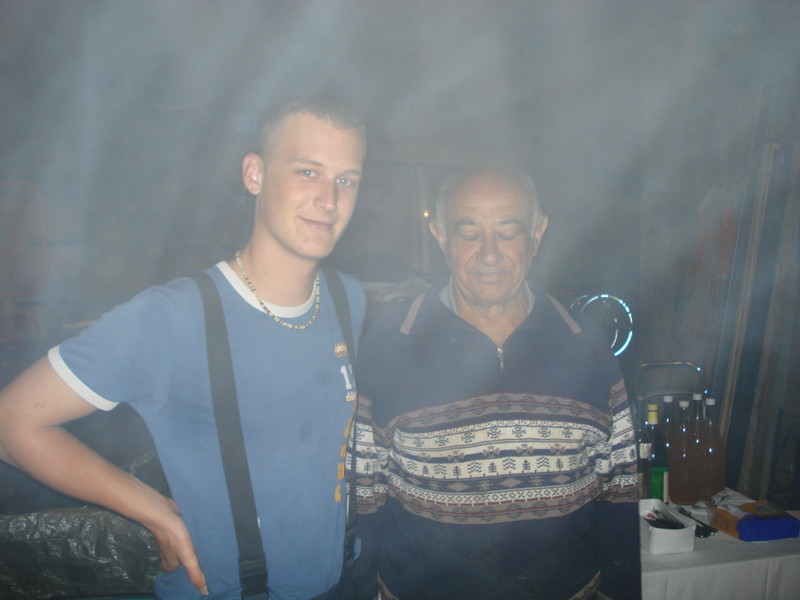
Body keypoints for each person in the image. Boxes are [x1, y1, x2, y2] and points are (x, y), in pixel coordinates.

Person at [0, 97, 368, 600]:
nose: (329, 199)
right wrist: (153, 511)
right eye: (308, 172)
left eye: (347, 179)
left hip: (339, 584)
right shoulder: (172, 317)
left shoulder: (348, 299)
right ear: (255, 174)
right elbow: (12, 423)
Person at [353, 166, 641, 599]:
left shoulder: (588, 347)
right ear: (440, 235)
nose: (489, 254)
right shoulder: (387, 345)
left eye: (508, 232)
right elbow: (364, 498)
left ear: (537, 233)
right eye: (469, 233)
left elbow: (620, 493)